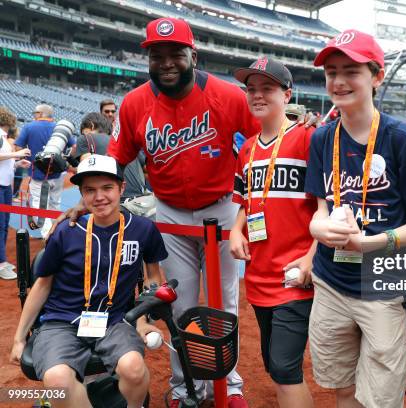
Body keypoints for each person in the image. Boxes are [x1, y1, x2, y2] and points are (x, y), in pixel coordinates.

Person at [104, 17, 261, 407]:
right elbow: (114, 159)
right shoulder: (135, 102)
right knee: (181, 306)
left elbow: (261, 144)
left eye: (176, 53)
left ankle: (231, 386)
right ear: (149, 59)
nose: (167, 62)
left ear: (193, 54)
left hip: (223, 209)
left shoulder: (228, 96)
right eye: (158, 55)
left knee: (223, 302)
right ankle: (184, 388)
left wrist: (249, 205)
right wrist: (87, 199)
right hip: (170, 215)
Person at [305, 30, 406, 407]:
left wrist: (372, 243)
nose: (339, 80)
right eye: (331, 71)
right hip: (330, 283)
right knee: (342, 387)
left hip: (382, 288)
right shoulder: (322, 138)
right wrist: (321, 228)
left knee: (379, 398)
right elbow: (319, 212)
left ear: (376, 76)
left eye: (351, 70)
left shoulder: (402, 139)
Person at [10, 154, 167, 408]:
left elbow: (153, 279)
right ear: (82, 193)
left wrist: (142, 320)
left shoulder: (143, 230)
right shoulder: (66, 230)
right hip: (61, 322)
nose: (99, 197)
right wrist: (19, 338)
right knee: (58, 381)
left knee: (134, 369)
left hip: (115, 320)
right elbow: (42, 285)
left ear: (121, 188)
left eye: (107, 188)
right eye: (90, 190)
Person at [230, 57, 316, 408]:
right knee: (274, 364)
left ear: (287, 94)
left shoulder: (309, 138)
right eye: (252, 89)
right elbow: (243, 201)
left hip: (296, 278)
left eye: (268, 88)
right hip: (259, 275)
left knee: (284, 367)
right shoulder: (247, 149)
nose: (258, 95)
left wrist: (312, 258)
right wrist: (236, 231)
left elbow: (328, 205)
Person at [15, 104, 74, 238]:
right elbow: (74, 146)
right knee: (54, 203)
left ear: (40, 113)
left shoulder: (29, 127)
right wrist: (64, 161)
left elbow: (18, 147)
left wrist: (28, 157)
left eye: (35, 112)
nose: (33, 115)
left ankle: (48, 235)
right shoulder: (59, 128)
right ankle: (56, 231)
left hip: (38, 174)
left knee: (38, 204)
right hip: (58, 174)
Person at [75, 112, 147, 202]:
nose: (83, 135)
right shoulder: (125, 142)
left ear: (91, 126)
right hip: (141, 202)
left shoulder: (85, 139)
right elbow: (147, 170)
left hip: (113, 203)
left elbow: (87, 174)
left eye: (83, 132)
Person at [0, 106, 31, 279]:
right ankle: (1, 263)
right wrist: (16, 154)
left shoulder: (3, 138)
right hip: (0, 186)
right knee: (0, 225)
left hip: (5, 186)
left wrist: (18, 163)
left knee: (4, 225)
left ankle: (1, 261)